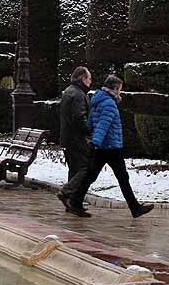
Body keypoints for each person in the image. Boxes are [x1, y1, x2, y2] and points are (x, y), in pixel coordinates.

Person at [72, 74, 154, 219]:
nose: (120, 92)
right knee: (122, 178)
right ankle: (135, 208)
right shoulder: (109, 103)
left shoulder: (97, 100)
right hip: (111, 147)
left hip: (102, 147)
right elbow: (103, 125)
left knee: (91, 176)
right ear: (115, 88)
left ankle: (75, 201)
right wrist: (96, 142)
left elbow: (91, 123)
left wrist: (94, 141)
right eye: (120, 89)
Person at [57, 66, 93, 217]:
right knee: (86, 168)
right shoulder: (78, 94)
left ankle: (71, 203)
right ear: (83, 79)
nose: (91, 81)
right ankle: (67, 193)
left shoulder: (69, 91)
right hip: (77, 138)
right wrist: (89, 130)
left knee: (74, 168)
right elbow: (79, 117)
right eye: (89, 78)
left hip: (68, 137)